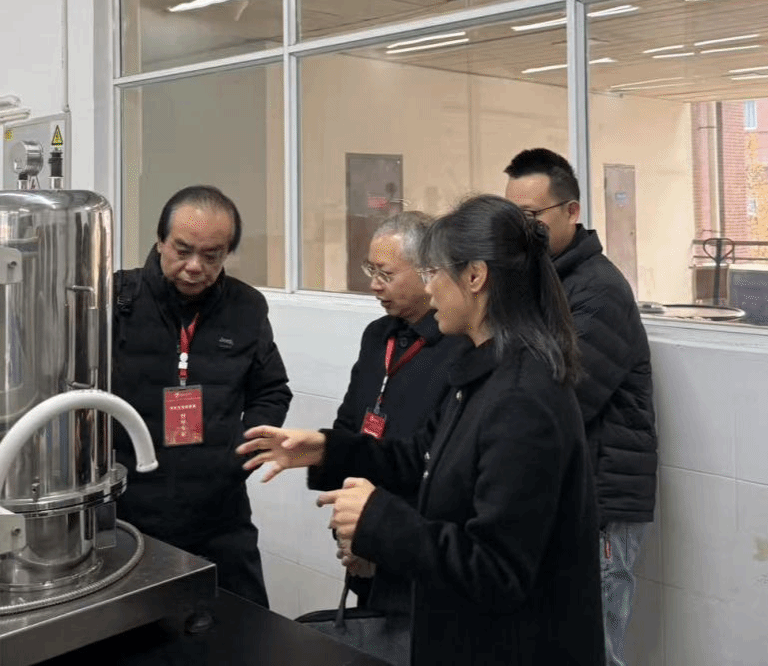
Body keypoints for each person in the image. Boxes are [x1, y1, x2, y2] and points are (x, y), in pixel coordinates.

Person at [239, 195, 603, 666]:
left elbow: (497, 570)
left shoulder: (522, 397)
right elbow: (421, 456)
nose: (429, 290)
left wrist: (379, 521)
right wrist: (328, 450)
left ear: (475, 276)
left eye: (432, 273)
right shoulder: (484, 371)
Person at [504, 148, 657, 666]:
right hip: (559, 494)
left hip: (599, 505)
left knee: (593, 649)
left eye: (531, 217)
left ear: (571, 211)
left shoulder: (598, 291)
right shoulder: (540, 281)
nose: (521, 230)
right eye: (512, 217)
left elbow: (563, 398)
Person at [112, 185, 292, 608]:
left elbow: (271, 390)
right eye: (183, 250)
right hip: (129, 511)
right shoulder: (116, 299)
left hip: (218, 512)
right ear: (160, 241)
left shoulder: (246, 308)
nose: (195, 267)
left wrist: (239, 457)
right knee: (139, 627)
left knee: (243, 625)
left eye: (212, 256)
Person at [324, 211, 472, 663]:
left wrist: (379, 538)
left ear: (429, 272)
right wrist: (349, 525)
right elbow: (351, 423)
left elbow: (437, 465)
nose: (374, 285)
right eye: (370, 270)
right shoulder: (378, 336)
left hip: (419, 545)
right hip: (364, 536)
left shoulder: (459, 348)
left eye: (386, 274)